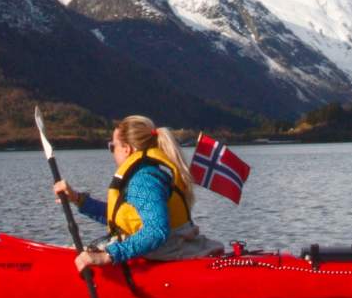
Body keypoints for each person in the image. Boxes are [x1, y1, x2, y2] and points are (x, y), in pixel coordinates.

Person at [52, 115, 223, 272]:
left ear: (126, 149)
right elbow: (124, 218)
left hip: (168, 258)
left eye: (112, 146)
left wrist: (107, 256)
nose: (112, 151)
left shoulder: (144, 179)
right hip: (166, 251)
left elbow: (156, 231)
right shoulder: (146, 172)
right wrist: (77, 199)